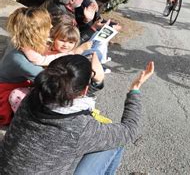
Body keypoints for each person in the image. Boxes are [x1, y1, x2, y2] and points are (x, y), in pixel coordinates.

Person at [0, 55, 154, 174]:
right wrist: (135, 89)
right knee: (114, 143)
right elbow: (128, 130)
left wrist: (95, 82)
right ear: (85, 89)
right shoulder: (80, 128)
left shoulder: (31, 97)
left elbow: (65, 93)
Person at [0, 7, 104, 125]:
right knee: (41, 97)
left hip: (24, 82)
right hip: (6, 92)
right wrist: (95, 82)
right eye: (47, 25)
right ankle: (32, 122)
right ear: (36, 31)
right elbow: (55, 84)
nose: (51, 27)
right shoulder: (19, 59)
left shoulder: (26, 44)